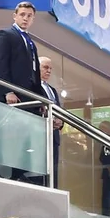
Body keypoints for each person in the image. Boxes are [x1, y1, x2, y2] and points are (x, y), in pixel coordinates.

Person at [0, 2, 40, 106]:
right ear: (15, 16)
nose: (25, 18)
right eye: (22, 14)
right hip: (13, 95)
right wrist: (7, 91)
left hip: (31, 96)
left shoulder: (31, 42)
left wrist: (40, 97)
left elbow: (35, 71)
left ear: (33, 19)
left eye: (29, 16)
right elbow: (1, 64)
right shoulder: (5, 34)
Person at [39, 56, 63, 187]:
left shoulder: (52, 90)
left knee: (54, 172)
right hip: (41, 135)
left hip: (54, 136)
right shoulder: (34, 87)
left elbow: (59, 111)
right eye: (45, 67)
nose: (48, 71)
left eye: (50, 68)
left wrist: (61, 122)